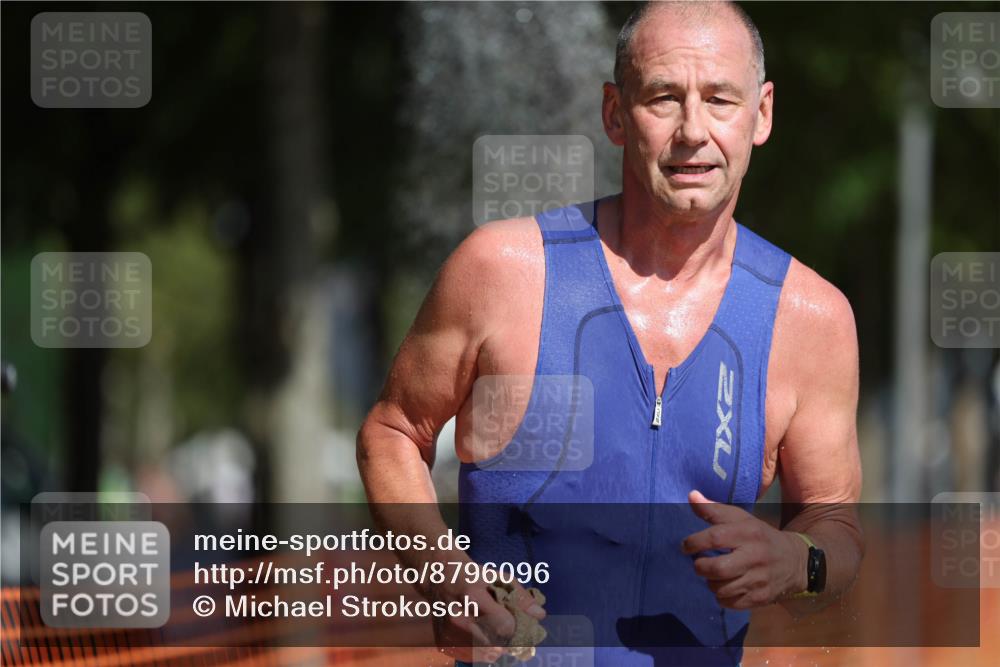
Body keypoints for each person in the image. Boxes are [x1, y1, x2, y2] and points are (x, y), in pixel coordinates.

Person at [357, 1, 863, 664]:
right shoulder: (504, 271)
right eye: (662, 98)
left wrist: (798, 560)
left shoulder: (812, 320)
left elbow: (837, 529)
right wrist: (442, 578)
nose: (692, 131)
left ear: (761, 114)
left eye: (719, 99)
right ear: (614, 115)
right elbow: (392, 432)